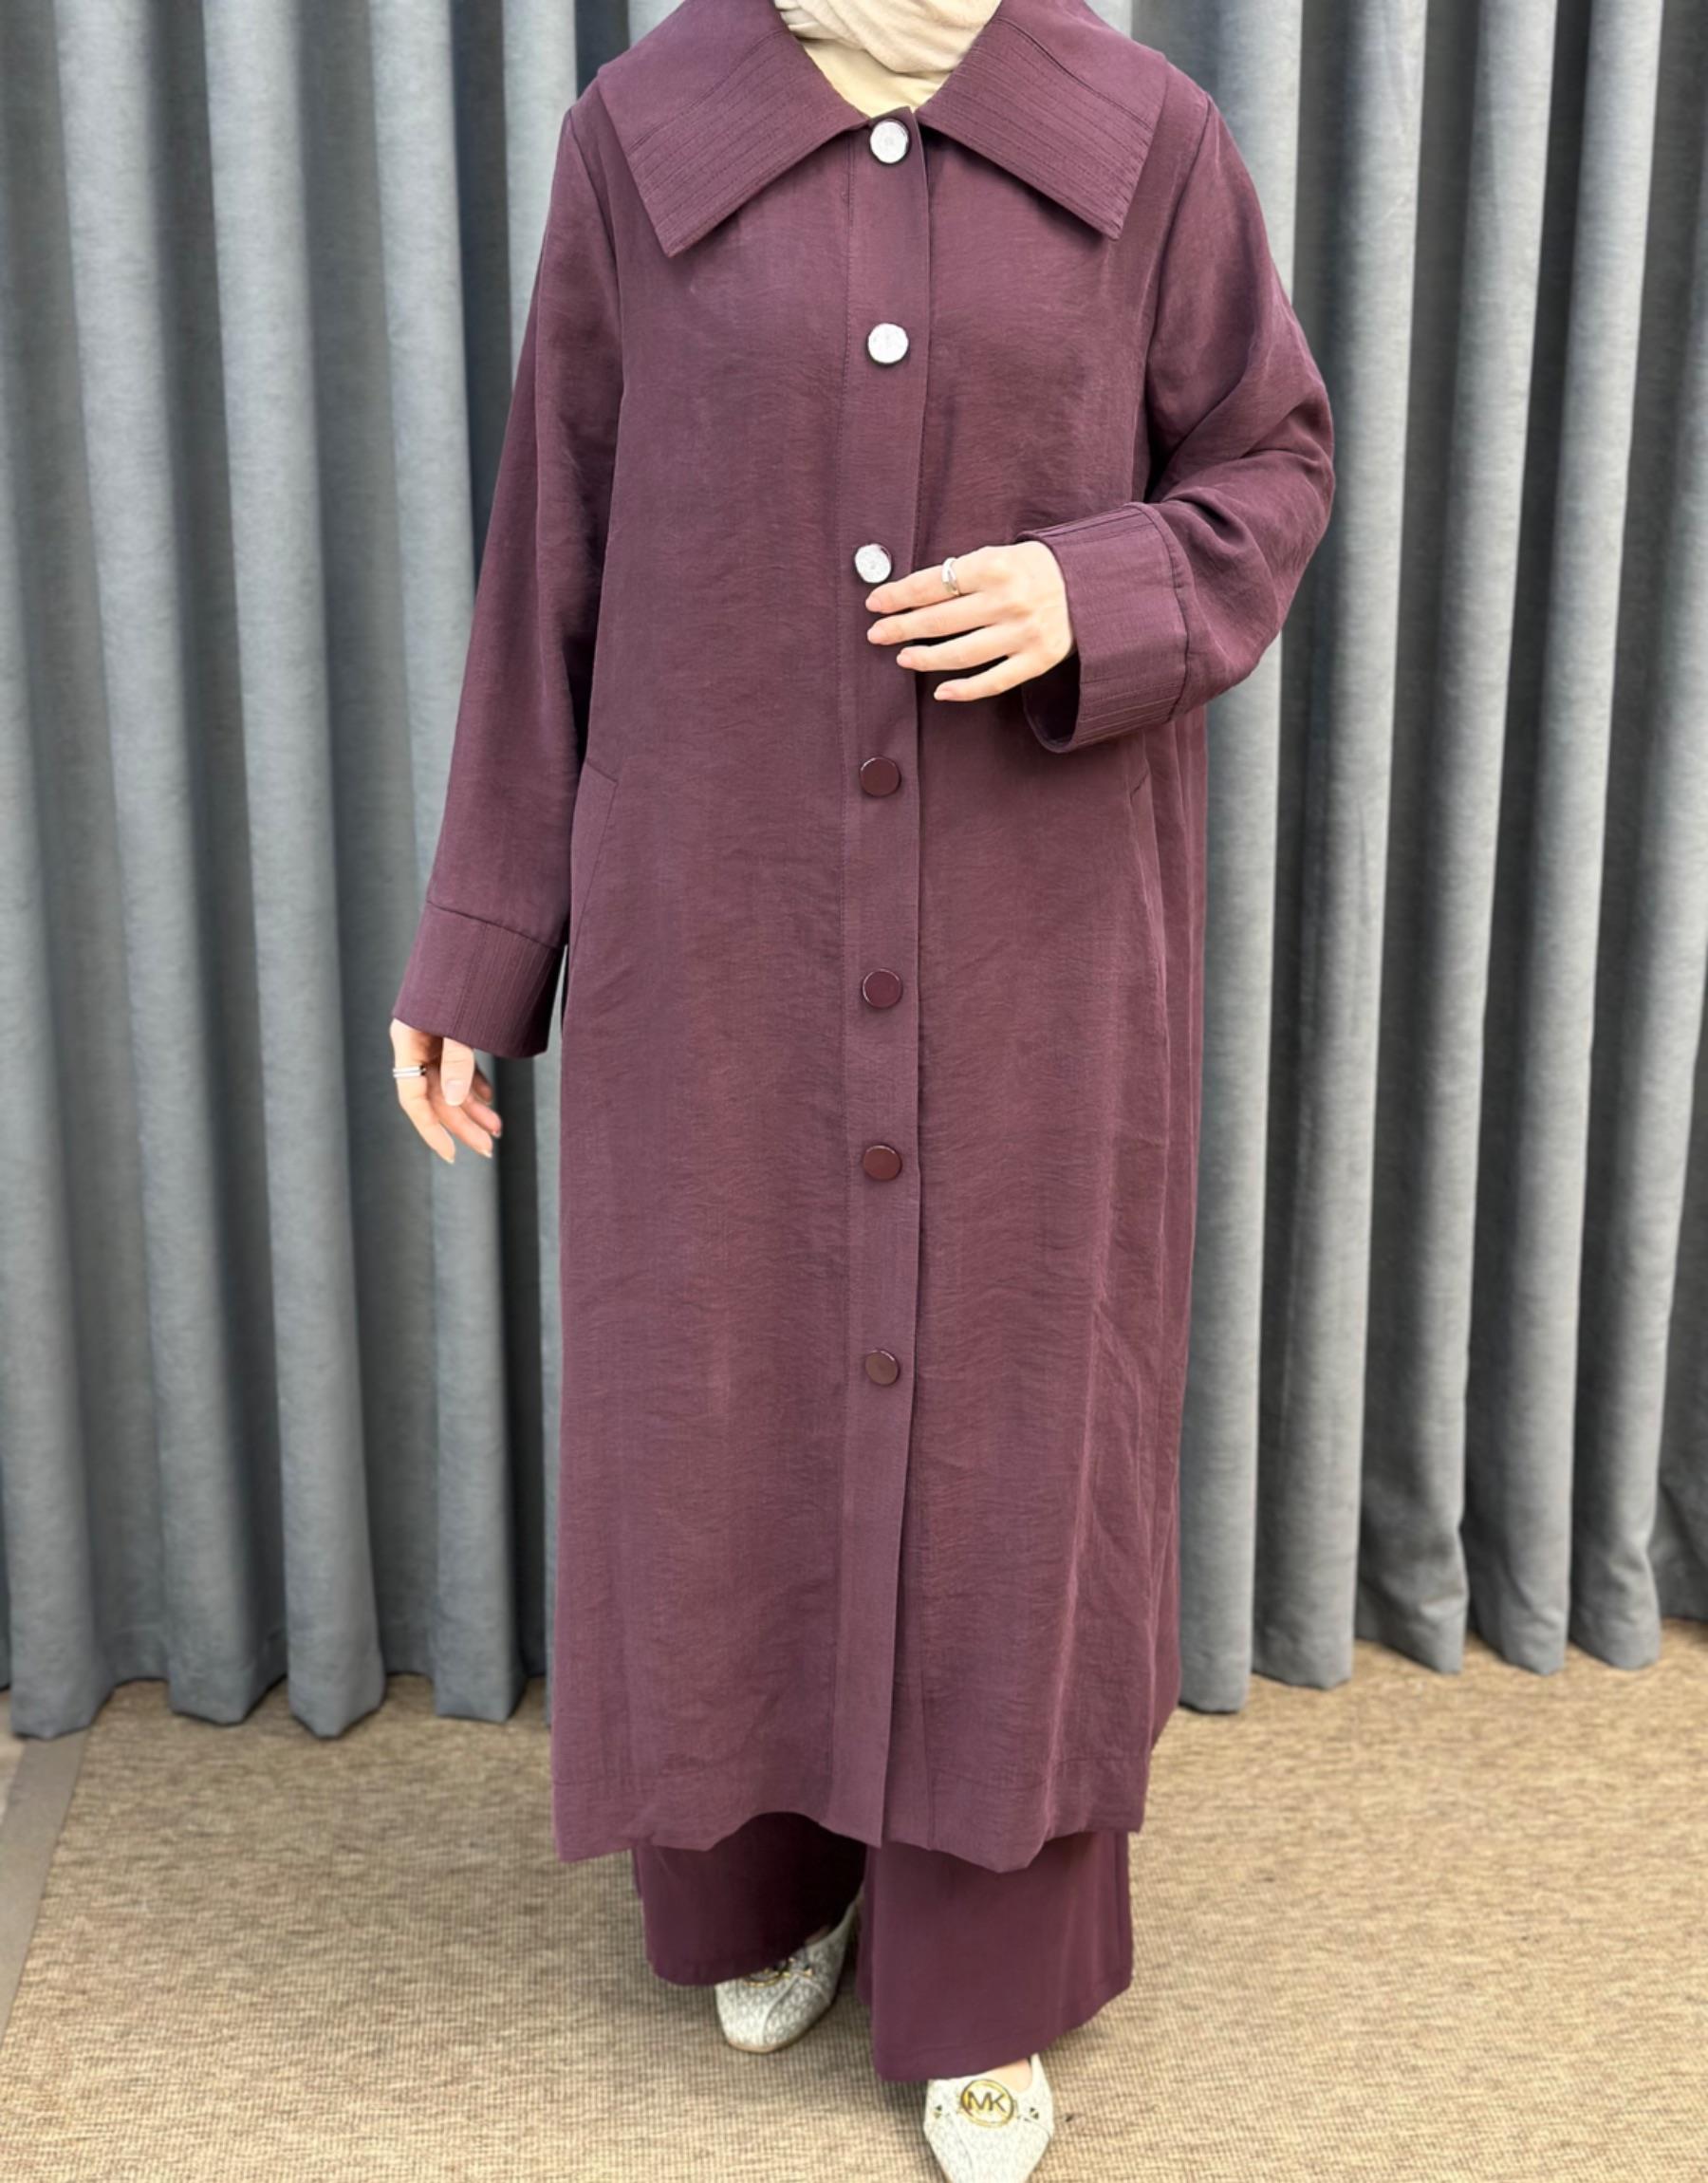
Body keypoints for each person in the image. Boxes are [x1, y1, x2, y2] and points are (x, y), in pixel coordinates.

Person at [389, 0, 1335, 2174]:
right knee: (727, 1410)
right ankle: (768, 1883)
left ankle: (985, 1980)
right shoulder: (646, 135)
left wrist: (1094, 584)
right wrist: (482, 944)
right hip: (719, 935)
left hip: (1038, 938)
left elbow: (1272, 463)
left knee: (1013, 1446)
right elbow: (555, 541)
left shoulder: (1145, 139)